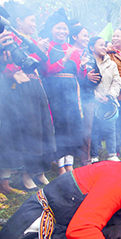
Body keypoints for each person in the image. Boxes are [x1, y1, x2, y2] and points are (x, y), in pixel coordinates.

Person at [0, 1, 55, 192]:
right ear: (18, 21)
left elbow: (39, 66)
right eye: (31, 20)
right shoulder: (9, 37)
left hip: (34, 87)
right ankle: (25, 174)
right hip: (19, 91)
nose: (34, 24)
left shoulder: (28, 40)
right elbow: (8, 67)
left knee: (42, 130)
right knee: (29, 132)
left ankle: (38, 171)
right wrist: (10, 73)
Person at [39, 8, 84, 175]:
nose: (62, 31)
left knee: (73, 125)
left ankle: (70, 162)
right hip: (54, 90)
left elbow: (78, 73)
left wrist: (85, 69)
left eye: (64, 28)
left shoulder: (73, 49)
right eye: (58, 28)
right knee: (59, 125)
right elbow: (46, 71)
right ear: (51, 29)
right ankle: (60, 164)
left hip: (71, 90)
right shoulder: (47, 46)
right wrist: (64, 59)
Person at [70, 25, 102, 166]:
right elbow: (68, 77)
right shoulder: (68, 52)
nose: (86, 39)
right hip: (70, 98)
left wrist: (89, 80)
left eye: (87, 36)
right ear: (74, 37)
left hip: (87, 97)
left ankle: (86, 160)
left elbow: (97, 77)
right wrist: (84, 78)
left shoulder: (89, 56)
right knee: (71, 129)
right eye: (84, 35)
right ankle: (68, 161)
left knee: (87, 130)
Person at [89, 36, 121, 163]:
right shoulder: (88, 63)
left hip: (109, 100)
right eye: (100, 45)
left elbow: (117, 81)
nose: (104, 47)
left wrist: (110, 96)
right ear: (92, 48)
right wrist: (98, 97)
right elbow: (86, 84)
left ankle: (112, 154)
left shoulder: (112, 64)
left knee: (111, 127)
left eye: (104, 45)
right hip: (94, 101)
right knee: (94, 128)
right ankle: (94, 155)